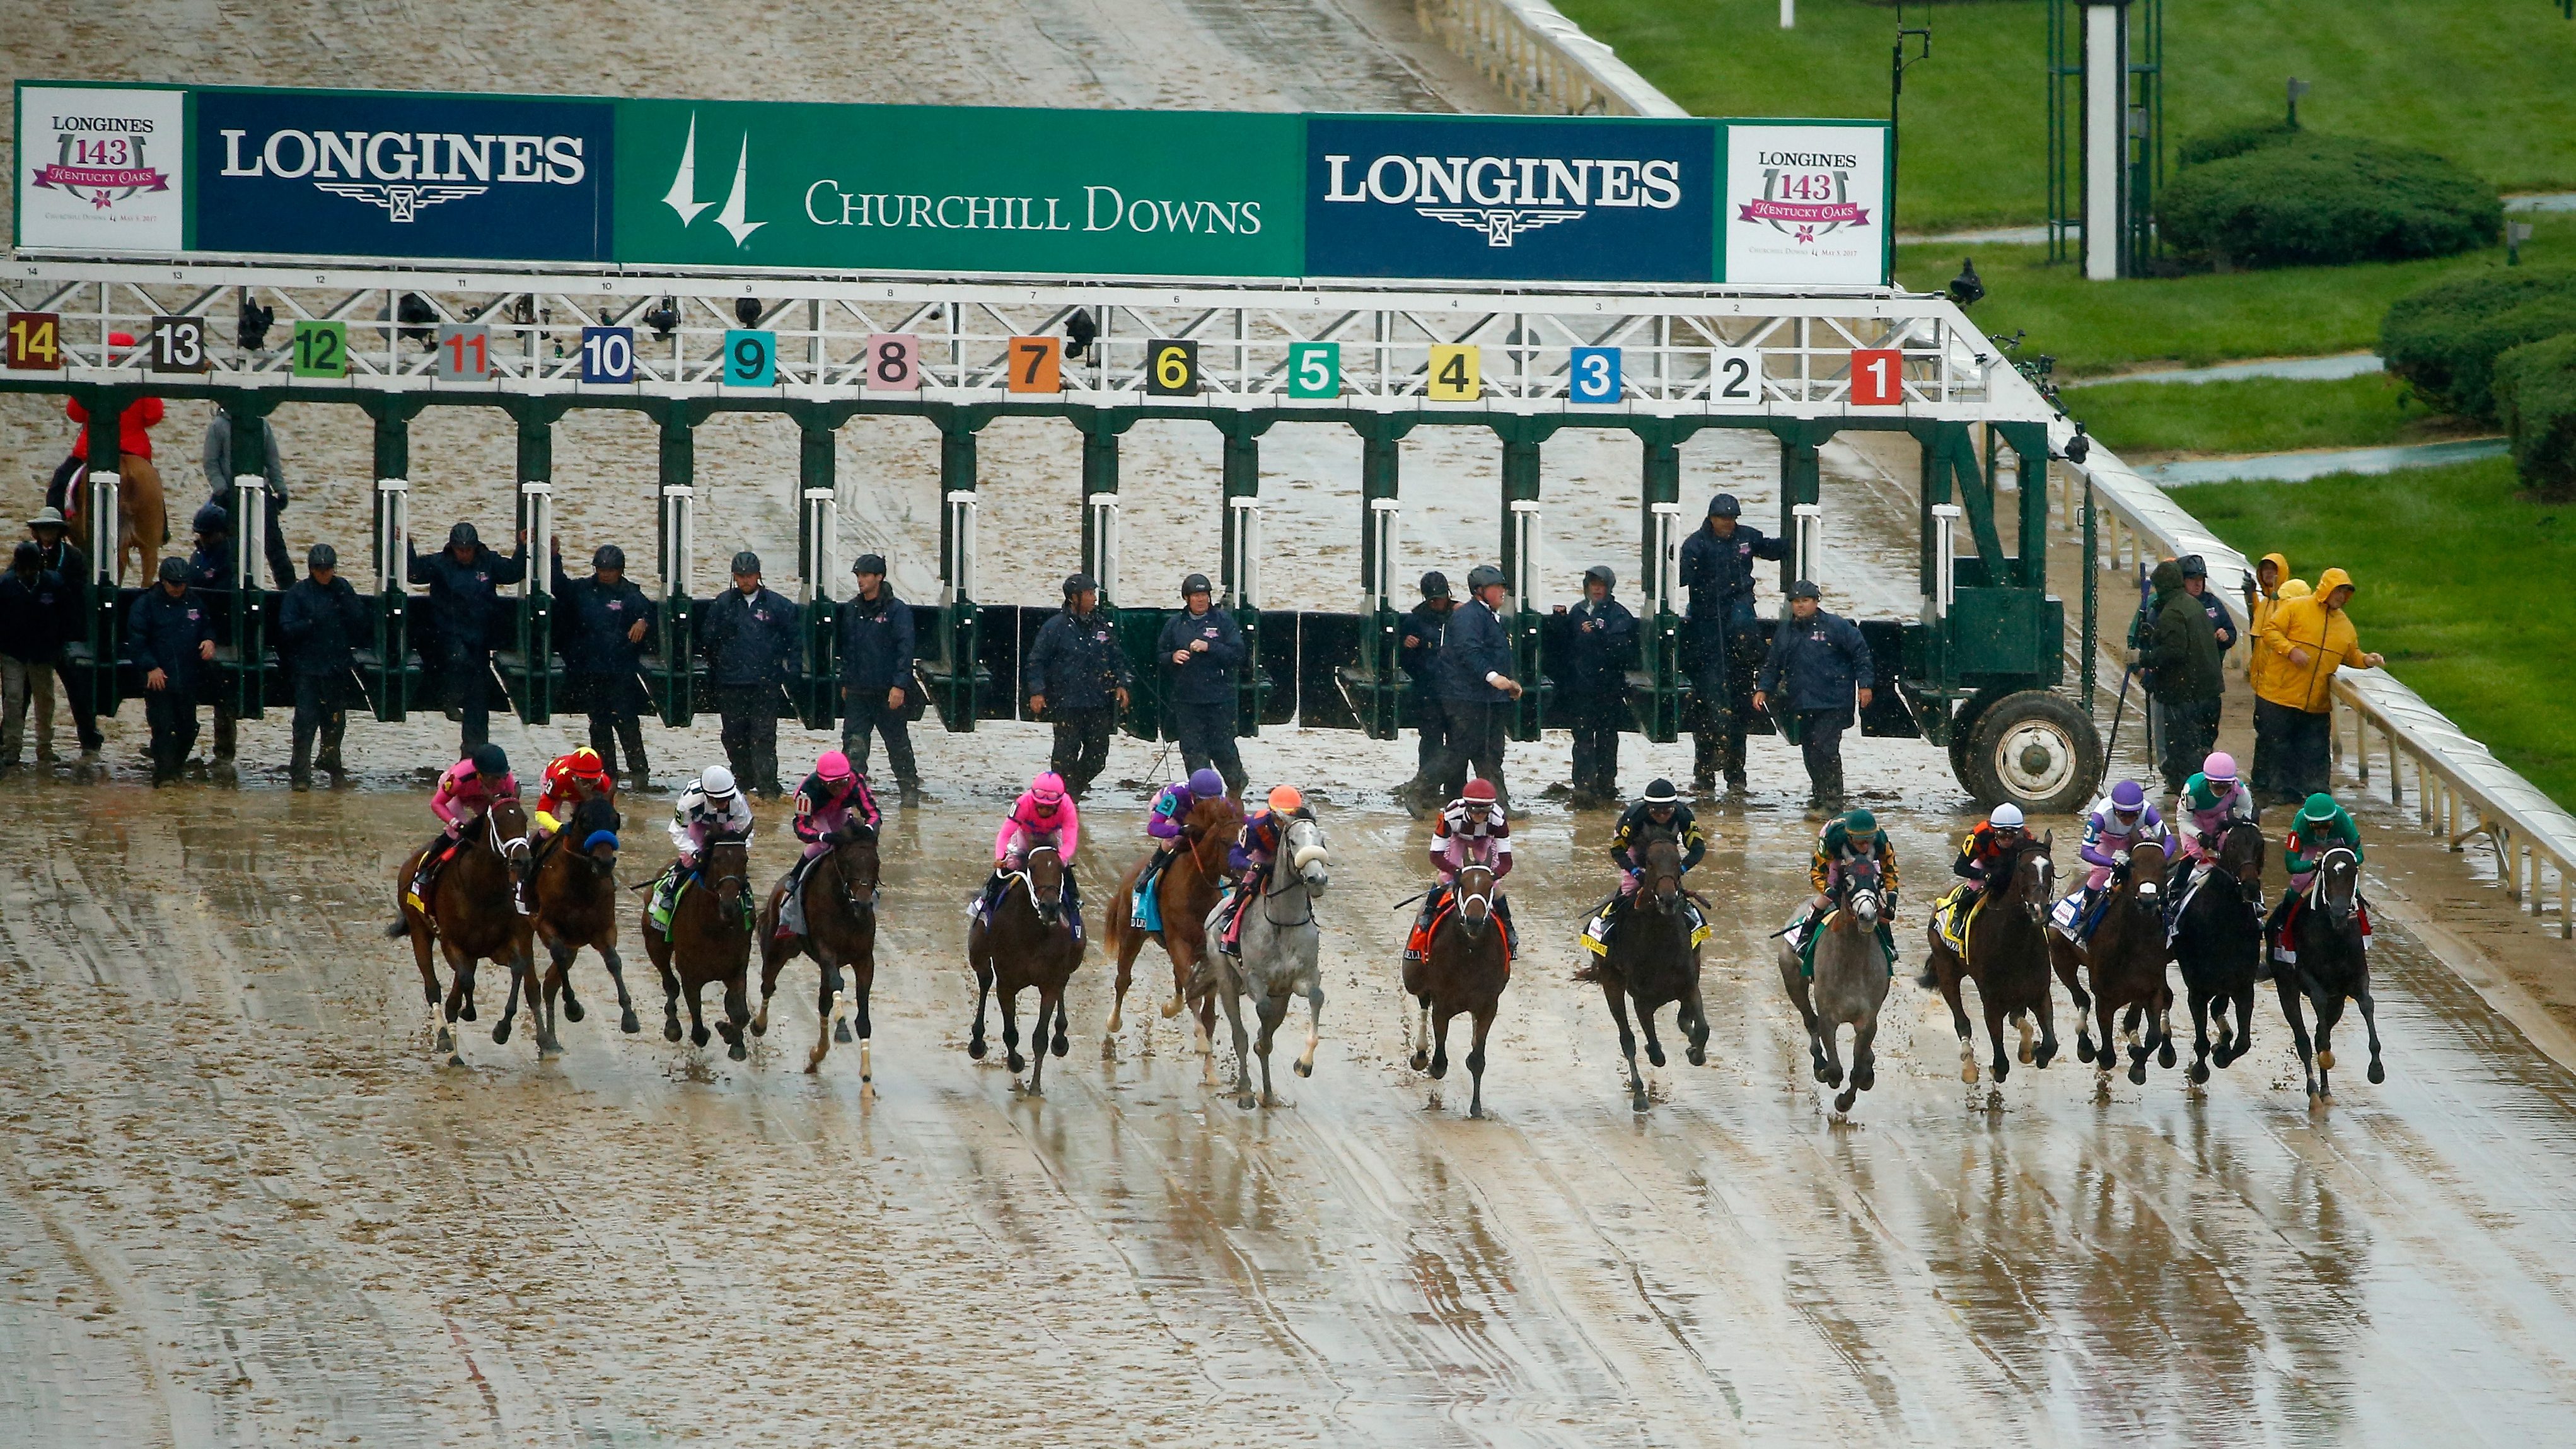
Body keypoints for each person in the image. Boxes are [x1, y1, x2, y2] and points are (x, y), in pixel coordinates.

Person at [1679, 492, 1789, 793]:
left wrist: (1798, 534)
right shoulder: (1696, 544)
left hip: (1738, 630)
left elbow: (1774, 549)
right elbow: (1678, 576)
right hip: (1706, 632)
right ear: (1711, 518)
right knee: (1709, 708)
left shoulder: (1747, 538)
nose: (1727, 524)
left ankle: (1736, 777)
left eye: (1731, 518)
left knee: (1738, 711)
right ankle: (1704, 776)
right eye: (1722, 518)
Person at [2256, 566, 2384, 807]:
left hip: (2316, 703)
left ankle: (2317, 797)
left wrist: (2367, 660)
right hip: (2279, 695)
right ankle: (2283, 793)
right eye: (2339, 591)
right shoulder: (2296, 608)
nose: (2342, 597)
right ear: (2327, 589)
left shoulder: (2345, 626)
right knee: (2279, 747)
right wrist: (2291, 651)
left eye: (2346, 593)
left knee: (2316, 751)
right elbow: (2270, 631)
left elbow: (2350, 654)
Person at [1753, 580, 1875, 812]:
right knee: (1809, 749)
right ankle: (1820, 794)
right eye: (1796, 602)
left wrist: (1865, 685)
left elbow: (1861, 654)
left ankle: (1833, 800)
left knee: (1826, 748)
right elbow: (1773, 663)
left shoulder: (1836, 626)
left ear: (1816, 602)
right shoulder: (1786, 631)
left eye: (1805, 601)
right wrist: (1763, 689)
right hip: (1801, 702)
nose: (1800, 606)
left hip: (1833, 701)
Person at [408, 521, 525, 755]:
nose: (464, 554)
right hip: (447, 636)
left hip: (479, 640)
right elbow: (414, 573)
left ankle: (474, 751)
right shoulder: (440, 564)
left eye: (468, 549)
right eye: (460, 549)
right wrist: (405, 545)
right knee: (459, 660)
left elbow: (512, 573)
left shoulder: (488, 562)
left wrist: (523, 547)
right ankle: (449, 699)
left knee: (478, 696)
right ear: (452, 548)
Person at [550, 537, 657, 788]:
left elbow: (649, 610)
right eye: (601, 569)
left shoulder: (631, 594)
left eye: (610, 570)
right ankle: (607, 775)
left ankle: (639, 774)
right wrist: (555, 556)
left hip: (621, 670)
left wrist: (643, 621)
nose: (605, 574)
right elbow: (558, 586)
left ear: (620, 570)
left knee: (628, 722)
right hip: (589, 669)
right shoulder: (583, 590)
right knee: (598, 724)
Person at [697, 550, 800, 798]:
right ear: (734, 576)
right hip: (731, 682)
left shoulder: (778, 605)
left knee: (764, 735)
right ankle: (743, 780)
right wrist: (719, 667)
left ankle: (767, 787)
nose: (745, 580)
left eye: (750, 575)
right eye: (741, 576)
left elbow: (795, 640)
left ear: (758, 575)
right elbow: (708, 641)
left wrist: (791, 671)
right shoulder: (723, 604)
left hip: (765, 683)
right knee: (733, 735)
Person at [1024, 573, 1130, 798]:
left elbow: (1117, 658)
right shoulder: (1055, 627)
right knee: (1064, 756)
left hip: (1097, 703)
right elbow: (1036, 661)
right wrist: (1037, 692)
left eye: (1094, 593)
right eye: (1089, 594)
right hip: (1066, 704)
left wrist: (1122, 683)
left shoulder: (1101, 626)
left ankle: (1070, 792)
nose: (1094, 599)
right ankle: (1059, 799)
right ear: (1074, 598)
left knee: (1097, 757)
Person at [1432, 564, 1524, 813]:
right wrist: (1493, 677)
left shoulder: (1489, 616)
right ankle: (1418, 789)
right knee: (1459, 752)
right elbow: (1469, 652)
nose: (1503, 592)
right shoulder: (1468, 616)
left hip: (1488, 698)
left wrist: (1508, 683)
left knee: (1491, 755)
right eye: (1498, 588)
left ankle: (1500, 806)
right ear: (1481, 591)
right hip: (1466, 698)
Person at [1580, 777, 1707, 954]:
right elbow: (1617, 851)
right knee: (1630, 888)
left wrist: (1680, 870)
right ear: (1648, 808)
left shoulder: (1684, 815)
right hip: (1635, 845)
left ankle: (1690, 922)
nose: (1662, 816)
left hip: (1665, 850)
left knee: (1670, 886)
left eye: (1667, 811)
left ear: (1674, 807)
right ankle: (1608, 924)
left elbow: (1698, 849)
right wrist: (1636, 873)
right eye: (1656, 812)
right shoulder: (1635, 817)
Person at [277, 543, 367, 789]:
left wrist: (344, 601)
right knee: (305, 725)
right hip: (307, 669)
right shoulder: (298, 593)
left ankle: (333, 767)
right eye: (320, 569)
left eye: (328, 569)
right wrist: (309, 623)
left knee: (335, 723)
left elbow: (360, 621)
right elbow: (286, 628)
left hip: (336, 668)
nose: (325, 573)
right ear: (311, 569)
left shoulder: (343, 588)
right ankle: (301, 776)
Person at [837, 553, 919, 805]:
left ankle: (909, 790)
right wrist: (846, 682)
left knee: (898, 745)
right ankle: (852, 795)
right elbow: (847, 648)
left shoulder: (897, 611)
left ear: (879, 578)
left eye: (865, 576)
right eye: (858, 575)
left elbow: (905, 650)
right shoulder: (852, 609)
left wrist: (899, 686)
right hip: (858, 692)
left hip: (887, 692)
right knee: (854, 746)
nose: (860, 580)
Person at [1405, 778, 1516, 965]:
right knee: (1444, 876)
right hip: (1458, 838)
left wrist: (1494, 876)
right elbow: (1436, 856)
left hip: (1485, 839)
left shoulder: (1498, 819)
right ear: (1466, 806)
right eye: (1475, 810)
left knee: (1493, 884)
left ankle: (1508, 925)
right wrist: (1455, 872)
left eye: (1485, 811)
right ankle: (1427, 915)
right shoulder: (1450, 815)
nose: (1480, 815)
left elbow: (1506, 862)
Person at [1919, 803, 2030, 984]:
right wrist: (1984, 875)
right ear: (1994, 831)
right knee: (1971, 890)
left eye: (2013, 835)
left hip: (2012, 868)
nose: (2008, 840)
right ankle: (1958, 922)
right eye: (2003, 834)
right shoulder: (1979, 835)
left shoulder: (2027, 837)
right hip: (1985, 866)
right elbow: (1959, 867)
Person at [129, 555, 215, 786]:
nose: (178, 588)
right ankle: (165, 775)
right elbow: (137, 641)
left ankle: (176, 768)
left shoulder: (194, 602)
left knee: (189, 727)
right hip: (159, 677)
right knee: (163, 727)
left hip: (188, 676)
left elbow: (207, 625)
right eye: (174, 584)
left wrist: (209, 640)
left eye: (182, 583)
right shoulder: (145, 605)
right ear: (163, 581)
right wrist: (150, 667)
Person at [1158, 572, 1247, 796]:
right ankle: (1205, 797)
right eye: (1196, 595)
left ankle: (1236, 786)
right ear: (1186, 598)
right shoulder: (1175, 624)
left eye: (1205, 595)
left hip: (1219, 699)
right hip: (1187, 701)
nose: (1201, 600)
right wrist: (1172, 657)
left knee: (1223, 749)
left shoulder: (1223, 621)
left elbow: (1238, 655)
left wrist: (1210, 646)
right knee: (1193, 751)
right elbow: (1159, 654)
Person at [2140, 559, 2223, 798]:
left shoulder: (2172, 613)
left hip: (2185, 696)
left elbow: (2173, 652)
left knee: (2184, 753)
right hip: (2209, 692)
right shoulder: (2194, 606)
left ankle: (2189, 800)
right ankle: (2208, 791)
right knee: (2203, 748)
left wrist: (2144, 657)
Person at [777, 749, 880, 938]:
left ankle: (865, 888)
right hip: (819, 815)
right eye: (834, 786)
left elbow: (873, 813)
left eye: (843, 783)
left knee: (854, 845)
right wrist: (823, 836)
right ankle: (795, 877)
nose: (840, 789)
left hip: (841, 810)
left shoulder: (856, 780)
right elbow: (801, 827)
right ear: (822, 782)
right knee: (824, 846)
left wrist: (869, 830)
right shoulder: (807, 792)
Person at [2263, 791, 2369, 973]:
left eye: (2326, 825)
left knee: (2345, 881)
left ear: (2333, 821)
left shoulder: (2343, 818)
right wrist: (2314, 864)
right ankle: (2283, 924)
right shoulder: (2299, 825)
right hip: (2310, 849)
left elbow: (2359, 855)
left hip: (2337, 847)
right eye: (2315, 826)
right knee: (2299, 881)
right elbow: (2291, 864)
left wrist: (2339, 861)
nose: (2321, 831)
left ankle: (2363, 926)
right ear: (2308, 822)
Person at [408, 743, 520, 912]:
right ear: (480, 774)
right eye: (494, 778)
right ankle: (425, 872)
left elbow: (509, 810)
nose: (499, 782)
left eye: (501, 777)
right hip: (457, 796)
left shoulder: (506, 779)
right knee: (458, 833)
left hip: (483, 798)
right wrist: (455, 823)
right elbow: (437, 804)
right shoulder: (458, 778)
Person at [24, 508, 100, 759]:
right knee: (23, 692)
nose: (48, 534)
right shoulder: (26, 555)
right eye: (44, 529)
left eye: (52, 529)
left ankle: (89, 739)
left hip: (66, 635)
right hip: (36, 636)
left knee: (77, 690)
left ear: (59, 531)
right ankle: (9, 741)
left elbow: (79, 595)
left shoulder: (74, 557)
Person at [2056, 779, 2170, 944]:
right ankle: (2084, 913)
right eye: (2123, 815)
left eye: (2134, 815)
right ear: (2115, 810)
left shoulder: (2148, 810)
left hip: (2132, 838)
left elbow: (2169, 841)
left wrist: (2158, 862)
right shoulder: (2100, 816)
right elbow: (2086, 851)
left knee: (2151, 868)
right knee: (2101, 873)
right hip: (2106, 840)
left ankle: (2165, 912)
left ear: (2140, 810)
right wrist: (2112, 863)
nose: (2128, 819)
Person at [976, 771, 1084, 943]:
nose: (1044, 810)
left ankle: (1074, 901)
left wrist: (1061, 859)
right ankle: (987, 898)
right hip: (1026, 836)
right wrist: (1001, 858)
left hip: (1052, 836)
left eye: (1049, 808)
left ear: (1059, 804)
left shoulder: (1068, 806)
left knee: (1061, 869)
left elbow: (1071, 839)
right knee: (1010, 866)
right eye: (1040, 806)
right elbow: (1005, 834)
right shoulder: (1022, 803)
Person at [649, 765, 756, 935]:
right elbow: (677, 831)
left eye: (727, 799)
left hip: (725, 827)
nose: (724, 803)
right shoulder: (690, 802)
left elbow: (746, 832)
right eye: (719, 801)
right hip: (698, 826)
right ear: (707, 796)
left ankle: (746, 895)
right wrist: (694, 852)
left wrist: (738, 853)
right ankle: (669, 894)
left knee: (733, 865)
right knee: (689, 862)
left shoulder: (737, 800)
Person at [1563, 565, 1637, 808]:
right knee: (1582, 738)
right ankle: (1583, 787)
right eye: (1593, 584)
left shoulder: (1619, 614)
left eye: (1601, 585)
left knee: (1607, 737)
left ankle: (1606, 785)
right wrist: (1557, 620)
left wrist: (1599, 635)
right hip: (1580, 688)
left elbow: (1623, 650)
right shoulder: (1578, 611)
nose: (1597, 589)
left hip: (1608, 689)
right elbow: (1566, 644)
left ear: (1609, 588)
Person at [200, 404, 296, 590]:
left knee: (275, 545)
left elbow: (272, 461)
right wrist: (221, 490)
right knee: (227, 547)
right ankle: (223, 587)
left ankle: (289, 590)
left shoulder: (263, 425)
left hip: (261, 491)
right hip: (228, 495)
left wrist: (281, 490)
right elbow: (210, 462)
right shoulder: (218, 426)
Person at [1795, 807, 1900, 968]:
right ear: (1850, 838)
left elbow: (1890, 870)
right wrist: (1831, 892)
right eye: (1860, 842)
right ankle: (1804, 937)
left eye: (1869, 841)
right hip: (1838, 856)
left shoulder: (1880, 840)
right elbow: (1818, 873)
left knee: (1872, 895)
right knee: (1826, 898)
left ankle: (1888, 944)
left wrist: (1891, 901)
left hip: (1867, 861)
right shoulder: (1833, 839)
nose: (1865, 846)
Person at [1215, 783, 1304, 957]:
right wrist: (1253, 866)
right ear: (1271, 812)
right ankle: (1230, 924)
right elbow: (1235, 855)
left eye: (1290, 815)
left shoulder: (1303, 824)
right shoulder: (1255, 824)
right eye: (1280, 816)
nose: (1284, 821)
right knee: (1248, 885)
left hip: (1290, 861)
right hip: (1265, 860)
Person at [0, 542, 67, 769]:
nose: (29, 573)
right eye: (25, 569)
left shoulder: (54, 583)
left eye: (33, 569)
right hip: (13, 652)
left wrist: (58, 647)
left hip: (42, 653)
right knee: (13, 699)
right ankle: (11, 748)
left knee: (45, 700)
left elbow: (66, 617)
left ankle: (45, 747)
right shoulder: (5, 585)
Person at [1134, 767, 1227, 928]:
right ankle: (1150, 870)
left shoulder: (1222, 800)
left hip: (1192, 816)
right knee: (1175, 839)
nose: (1209, 806)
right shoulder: (1174, 796)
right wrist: (1180, 830)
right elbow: (1154, 828)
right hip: (1173, 815)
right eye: (1203, 802)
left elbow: (1237, 821)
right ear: (1193, 796)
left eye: (1213, 802)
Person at [2247, 575, 2311, 800]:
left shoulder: (2298, 630)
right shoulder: (2275, 622)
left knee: (2283, 742)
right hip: (2268, 693)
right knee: (2268, 739)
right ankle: (2264, 782)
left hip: (2286, 696)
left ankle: (2283, 787)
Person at [61, 391, 165, 520]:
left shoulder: (90, 376)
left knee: (60, 484)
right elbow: (154, 415)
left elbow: (75, 414)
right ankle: (163, 529)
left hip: (93, 447)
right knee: (154, 490)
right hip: (134, 449)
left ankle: (54, 527)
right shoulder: (139, 378)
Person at [1398, 572, 1455, 806]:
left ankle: (1455, 791)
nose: (1437, 604)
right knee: (1431, 740)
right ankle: (1428, 790)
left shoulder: (1460, 615)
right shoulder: (1415, 620)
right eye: (1433, 600)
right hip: (1428, 691)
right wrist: (1405, 645)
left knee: (1456, 742)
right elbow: (1403, 660)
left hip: (1454, 690)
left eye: (1440, 598)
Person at [529, 746, 616, 839]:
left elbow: (607, 815)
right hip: (556, 784)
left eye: (594, 780)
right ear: (574, 777)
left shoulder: (603, 783)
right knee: (547, 832)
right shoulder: (558, 781)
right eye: (584, 781)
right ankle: (534, 848)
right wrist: (559, 828)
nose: (589, 786)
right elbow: (541, 812)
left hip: (573, 790)